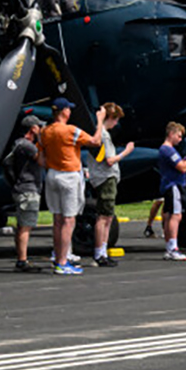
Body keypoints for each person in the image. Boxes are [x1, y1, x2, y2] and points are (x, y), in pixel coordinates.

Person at [40, 97, 104, 275]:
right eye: (69, 109)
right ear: (64, 111)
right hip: (69, 175)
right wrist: (99, 121)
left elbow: (40, 156)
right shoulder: (70, 130)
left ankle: (58, 255)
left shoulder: (45, 131)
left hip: (52, 175)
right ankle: (62, 261)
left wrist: (52, 163)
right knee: (69, 220)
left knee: (57, 219)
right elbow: (95, 141)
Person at [83, 102, 135, 267]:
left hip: (105, 178)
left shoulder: (103, 134)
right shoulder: (104, 135)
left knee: (107, 216)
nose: (116, 123)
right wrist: (126, 151)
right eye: (116, 119)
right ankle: (99, 252)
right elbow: (110, 160)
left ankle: (102, 251)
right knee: (103, 217)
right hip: (106, 178)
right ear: (111, 118)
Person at [6, 115, 44, 273]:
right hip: (27, 189)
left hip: (25, 188)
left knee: (23, 225)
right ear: (32, 129)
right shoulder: (26, 146)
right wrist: (42, 139)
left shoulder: (20, 144)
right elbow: (42, 160)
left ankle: (22, 259)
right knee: (25, 227)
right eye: (38, 128)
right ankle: (22, 260)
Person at [157, 123, 186, 260]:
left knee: (170, 215)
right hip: (174, 185)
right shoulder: (168, 150)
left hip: (172, 184)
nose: (180, 139)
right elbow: (182, 167)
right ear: (171, 134)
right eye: (179, 136)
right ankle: (173, 247)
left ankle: (170, 246)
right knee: (176, 215)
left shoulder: (169, 151)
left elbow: (180, 164)